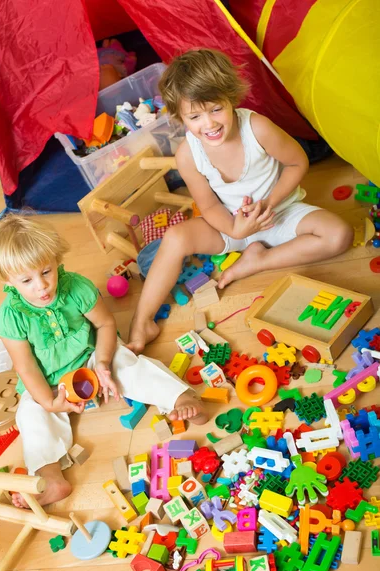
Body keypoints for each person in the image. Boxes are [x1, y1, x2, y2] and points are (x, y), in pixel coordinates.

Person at [128, 49, 353, 354]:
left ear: (231, 98)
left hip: (278, 213)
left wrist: (269, 204)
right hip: (229, 226)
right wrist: (236, 230)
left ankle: (259, 261)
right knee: (175, 236)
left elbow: (297, 163)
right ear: (180, 117)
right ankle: (142, 321)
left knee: (339, 234)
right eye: (195, 116)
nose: (209, 124)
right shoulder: (187, 155)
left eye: (216, 109)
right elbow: (208, 207)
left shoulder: (256, 128)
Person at [0, 214, 207, 507]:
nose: (41, 286)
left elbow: (105, 325)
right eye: (27, 280)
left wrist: (102, 362)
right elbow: (25, 367)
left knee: (127, 364)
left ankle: (180, 397)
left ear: (56, 259)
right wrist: (50, 402)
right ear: (8, 280)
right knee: (29, 414)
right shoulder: (10, 316)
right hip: (49, 380)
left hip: (91, 355)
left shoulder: (76, 287)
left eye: (46, 272)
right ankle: (50, 476)